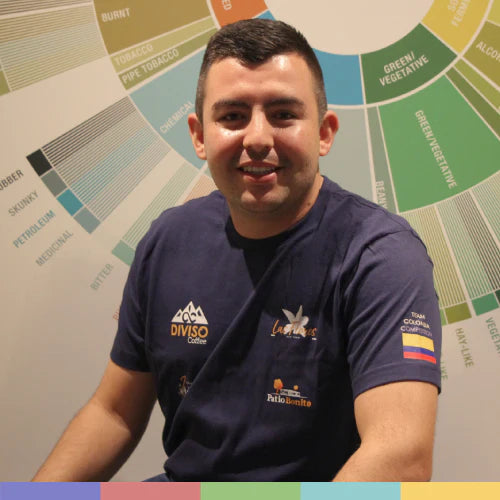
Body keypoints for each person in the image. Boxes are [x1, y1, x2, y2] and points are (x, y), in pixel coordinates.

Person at [33, 18, 441, 482]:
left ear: (324, 132)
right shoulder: (168, 240)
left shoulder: (381, 255)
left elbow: (401, 456)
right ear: (199, 136)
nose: (258, 138)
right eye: (232, 116)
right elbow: (113, 413)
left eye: (283, 114)